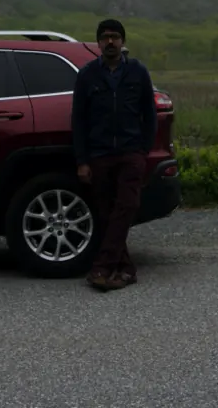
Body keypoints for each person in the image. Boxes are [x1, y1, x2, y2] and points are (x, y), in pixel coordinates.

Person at [71, 18, 157, 291]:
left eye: (115, 37)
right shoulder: (87, 75)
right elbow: (79, 120)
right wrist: (82, 161)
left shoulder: (137, 71)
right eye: (105, 37)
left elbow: (150, 114)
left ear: (122, 41)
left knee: (127, 206)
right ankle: (125, 269)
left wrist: (143, 150)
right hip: (100, 153)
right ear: (98, 42)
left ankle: (102, 266)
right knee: (107, 213)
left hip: (131, 152)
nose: (110, 41)